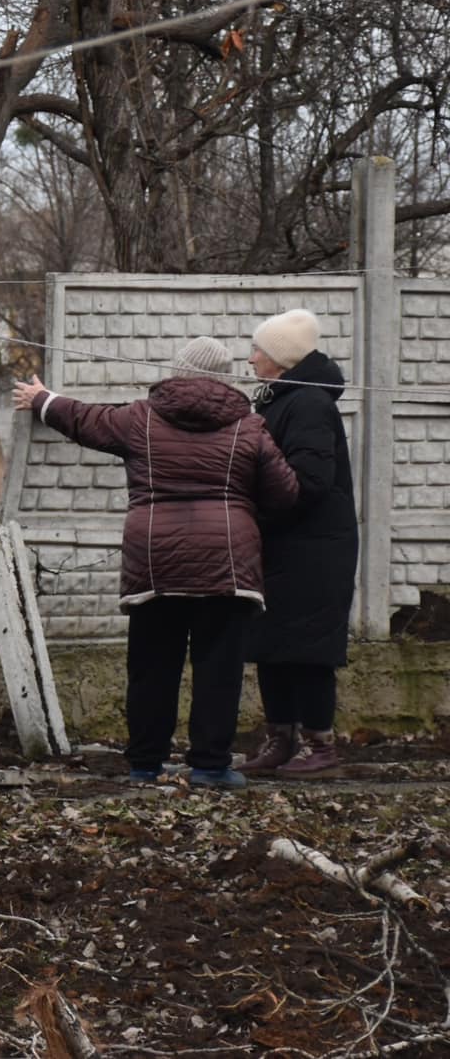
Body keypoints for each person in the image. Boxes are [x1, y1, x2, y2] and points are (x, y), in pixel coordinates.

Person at [14, 336, 297, 789]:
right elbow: (285, 494)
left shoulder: (140, 418)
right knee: (218, 670)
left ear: (177, 371)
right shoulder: (250, 426)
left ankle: (145, 764)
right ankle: (209, 767)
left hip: (155, 561)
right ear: (225, 380)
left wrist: (42, 400)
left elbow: (86, 420)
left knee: (151, 668)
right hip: (226, 563)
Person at [239, 308, 358, 778]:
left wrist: (255, 510)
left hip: (313, 550)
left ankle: (320, 748)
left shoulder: (307, 404)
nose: (249, 359)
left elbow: (309, 481)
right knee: (271, 645)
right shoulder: (281, 399)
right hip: (285, 543)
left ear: (281, 361)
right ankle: (281, 740)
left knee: (308, 650)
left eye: (258, 351)